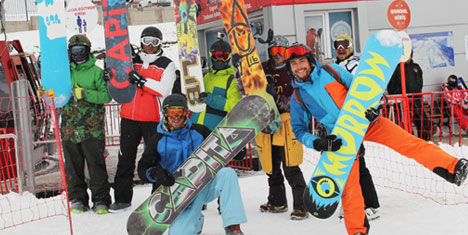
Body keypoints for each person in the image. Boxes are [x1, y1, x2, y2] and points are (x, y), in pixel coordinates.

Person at [285, 43, 468, 235]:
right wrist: (317, 142)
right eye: (294, 64)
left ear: (310, 61)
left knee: (410, 143)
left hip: (365, 122)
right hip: (341, 138)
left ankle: (454, 168)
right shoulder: (298, 95)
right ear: (290, 69)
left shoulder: (330, 71)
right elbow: (298, 129)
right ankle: (357, 231)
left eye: (302, 61)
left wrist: (375, 104)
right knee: (350, 188)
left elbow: (361, 89)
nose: (299, 67)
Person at [137, 94, 247, 235]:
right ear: (165, 114)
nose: (176, 117)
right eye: (172, 112)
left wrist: (235, 150)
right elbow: (143, 168)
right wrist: (156, 173)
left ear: (186, 113)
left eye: (180, 112)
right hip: (178, 196)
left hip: (202, 186)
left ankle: (233, 227)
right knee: (179, 233)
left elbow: (221, 145)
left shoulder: (199, 131)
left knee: (227, 174)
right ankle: (195, 221)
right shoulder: (157, 140)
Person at [107, 26, 176, 212]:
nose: (150, 46)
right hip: (129, 117)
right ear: (141, 42)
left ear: (160, 43)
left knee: (156, 158)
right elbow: (119, 81)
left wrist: (143, 82)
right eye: (147, 41)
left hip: (153, 119)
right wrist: (110, 76)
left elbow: (164, 89)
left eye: (155, 42)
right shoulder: (131, 61)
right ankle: (122, 198)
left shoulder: (166, 64)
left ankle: (158, 198)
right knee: (125, 158)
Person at [255, 35, 308, 220]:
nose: (277, 55)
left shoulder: (292, 71)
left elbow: (296, 100)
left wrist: (275, 97)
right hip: (267, 123)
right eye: (274, 51)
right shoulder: (263, 68)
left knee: (291, 166)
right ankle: (277, 201)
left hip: (287, 124)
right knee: (271, 166)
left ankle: (302, 205)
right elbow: (246, 82)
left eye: (281, 51)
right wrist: (240, 67)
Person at [61, 34, 112, 214]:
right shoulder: (64, 71)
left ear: (87, 51)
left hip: (92, 128)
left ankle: (101, 200)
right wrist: (45, 92)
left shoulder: (96, 72)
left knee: (96, 164)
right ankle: (77, 199)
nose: (77, 55)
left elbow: (106, 96)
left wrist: (86, 94)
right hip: (69, 127)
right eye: (74, 51)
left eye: (80, 51)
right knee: (72, 166)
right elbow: (55, 94)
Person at [333, 34, 380, 220]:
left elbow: (369, 86)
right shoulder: (335, 66)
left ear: (351, 46)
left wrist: (373, 107)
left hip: (355, 118)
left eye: (345, 45)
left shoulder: (356, 65)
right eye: (337, 45)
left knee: (358, 162)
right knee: (344, 163)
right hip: (339, 119)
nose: (341, 49)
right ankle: (352, 202)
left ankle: (370, 204)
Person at [191, 37, 243, 131]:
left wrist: (211, 99)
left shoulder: (231, 81)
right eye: (216, 56)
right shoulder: (204, 76)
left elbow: (234, 106)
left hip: (214, 131)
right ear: (211, 56)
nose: (220, 60)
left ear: (229, 57)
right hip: (195, 127)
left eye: (224, 56)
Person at [387, 51, 432, 140]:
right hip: (401, 101)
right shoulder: (397, 68)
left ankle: (424, 139)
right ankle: (408, 140)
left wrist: (416, 93)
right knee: (404, 123)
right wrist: (398, 94)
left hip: (416, 100)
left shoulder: (416, 67)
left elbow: (420, 83)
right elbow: (391, 86)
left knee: (422, 120)